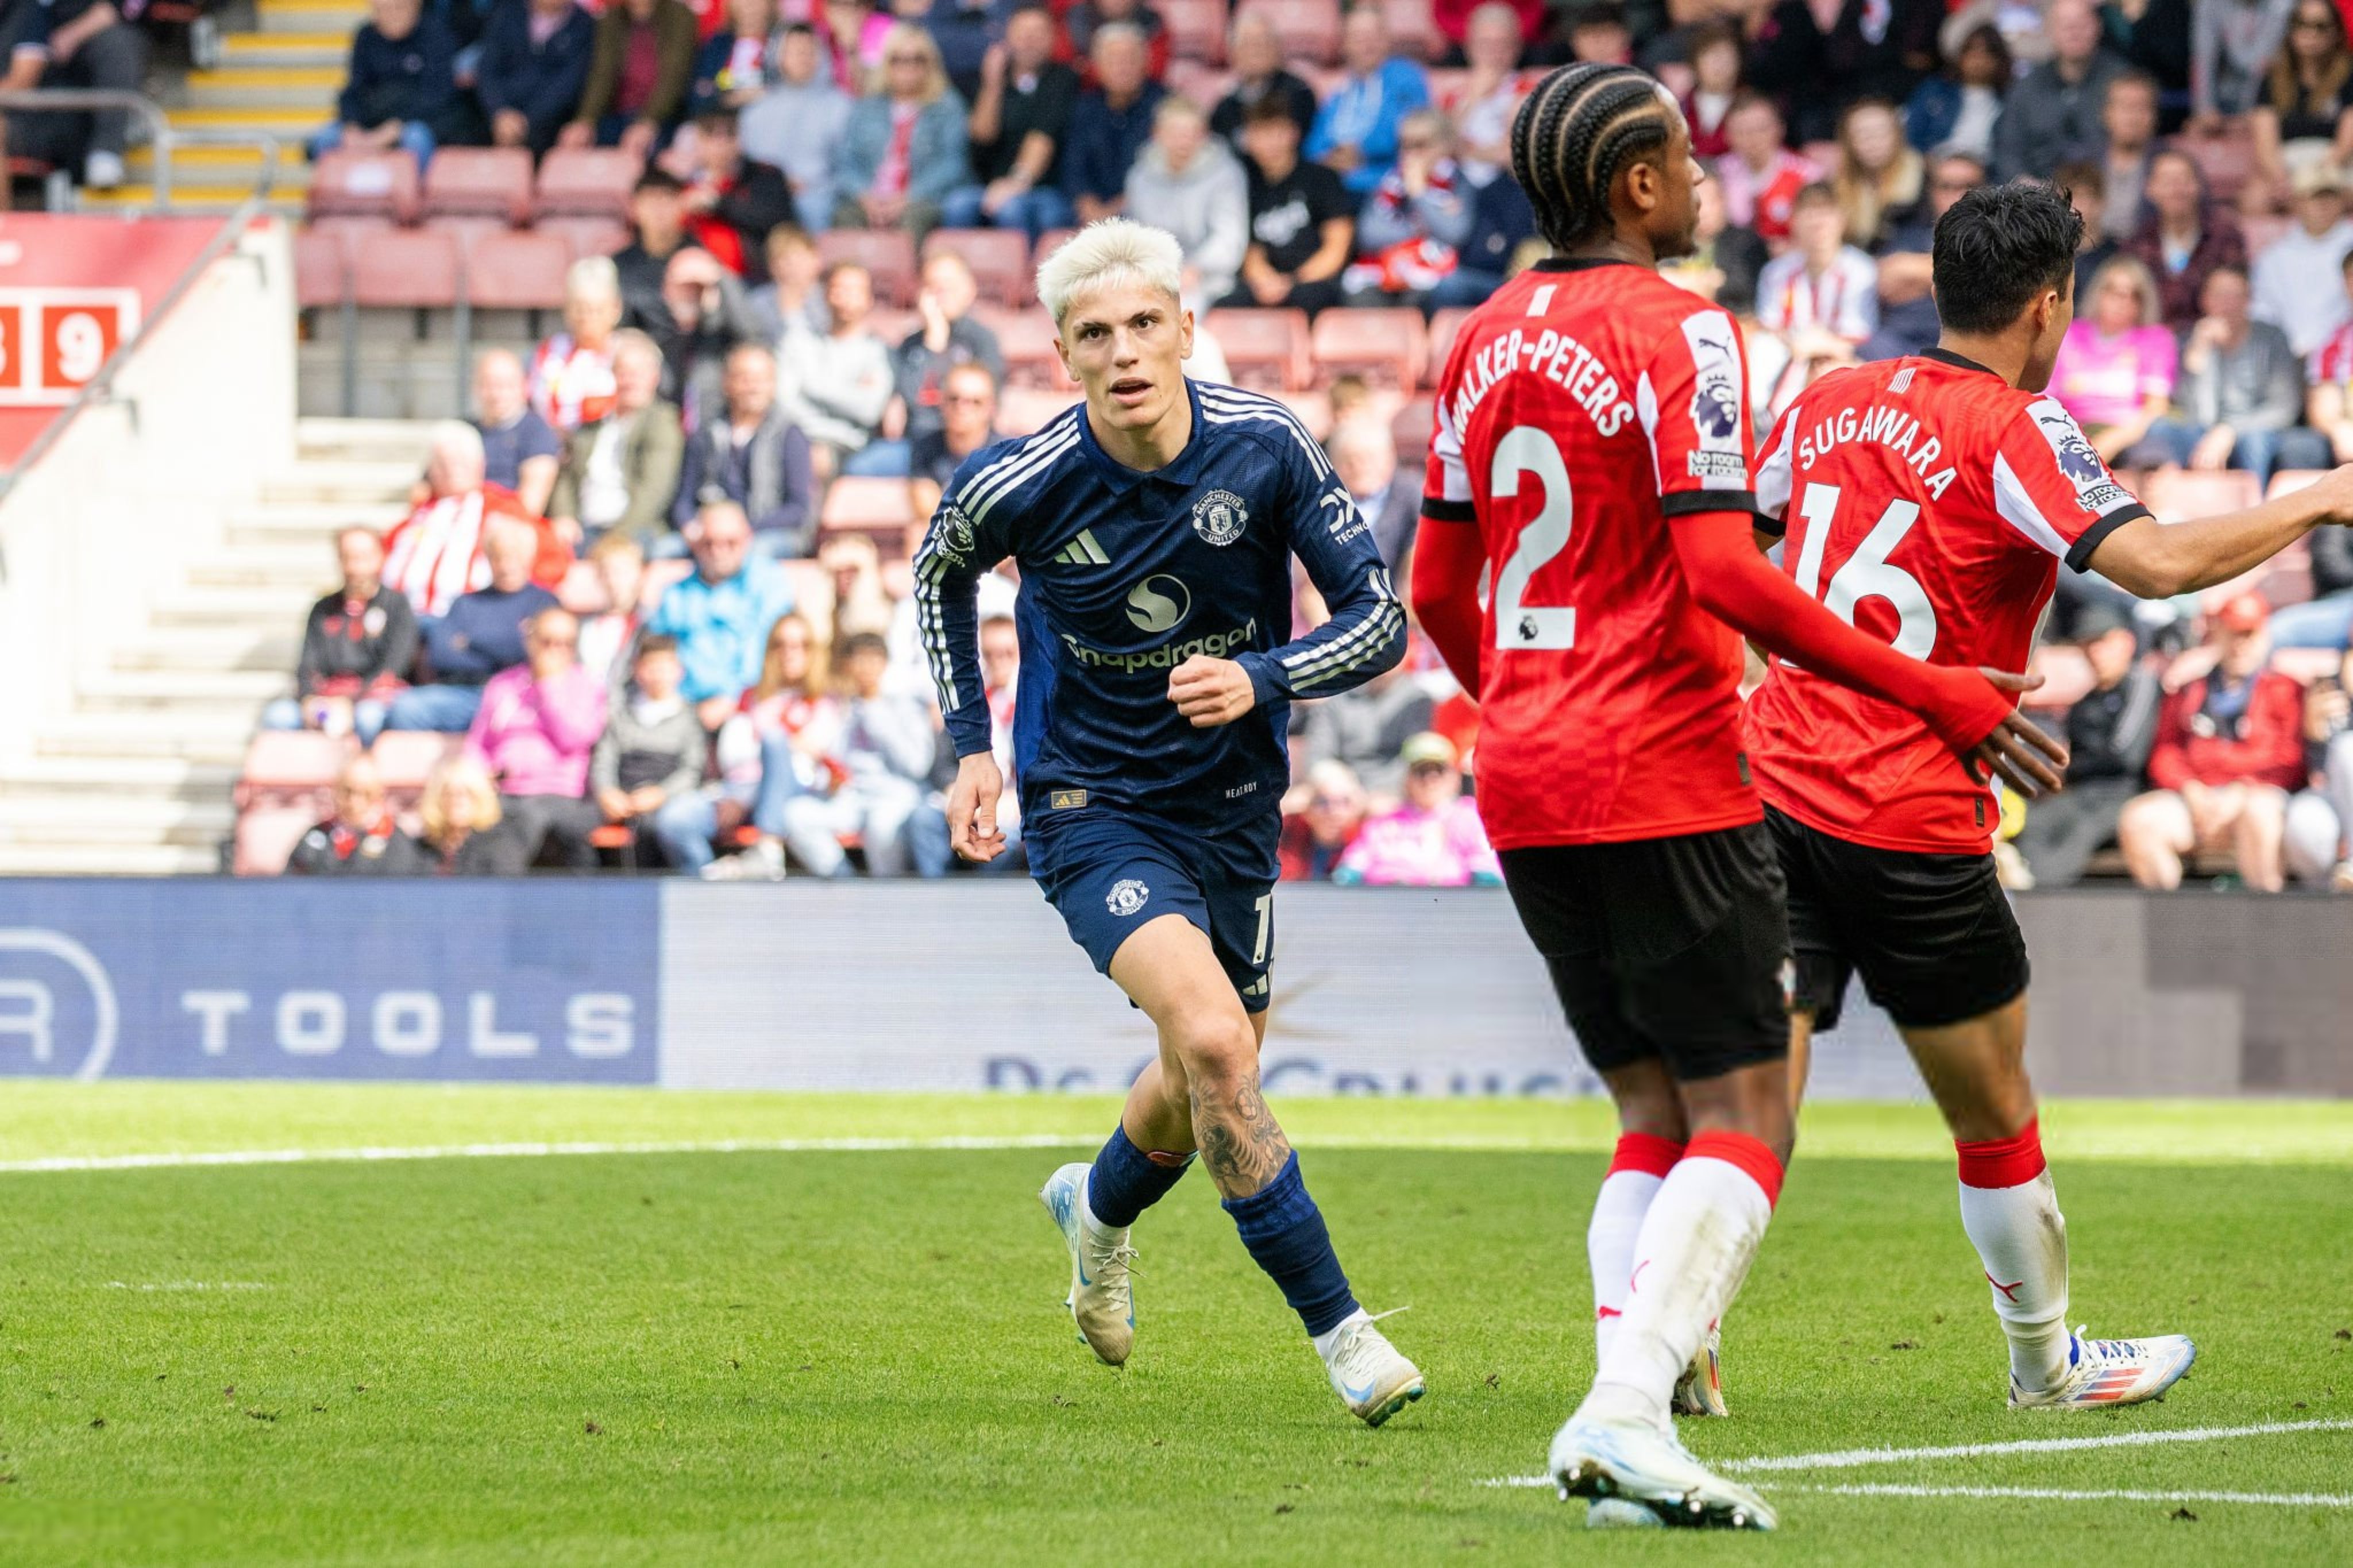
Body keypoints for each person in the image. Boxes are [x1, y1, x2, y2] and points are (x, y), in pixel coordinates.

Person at [1406, 64, 2068, 1529]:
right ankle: (1629, 1407)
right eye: (1686, 160)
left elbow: (1435, 587)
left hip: (1520, 774)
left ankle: (1624, 1386)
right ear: (1636, 188)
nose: (1705, 177)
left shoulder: (1479, 338)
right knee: (1751, 1105)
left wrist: (1521, 703)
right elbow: (1720, 572)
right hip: (1664, 765)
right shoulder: (1685, 332)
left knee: (1650, 1104)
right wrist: (1934, 689)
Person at [1743, 180, 2353, 1434]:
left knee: (1746, 1112)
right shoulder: (2015, 425)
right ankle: (2044, 1366)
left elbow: (1750, 562)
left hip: (1771, 797)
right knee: (1993, 1111)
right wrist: (2324, 491)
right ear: (2045, 304)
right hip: (1909, 817)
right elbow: (2162, 569)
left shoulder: (1824, 398)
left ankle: (1668, 1348)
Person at [918, 219, 1424, 1427]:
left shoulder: (1265, 449)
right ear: (1064, 355)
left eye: (1145, 324)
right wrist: (971, 749)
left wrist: (1267, 677)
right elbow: (940, 576)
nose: (1125, 350)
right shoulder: (1018, 481)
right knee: (1211, 1042)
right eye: (1095, 333)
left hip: (1235, 806)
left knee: (1204, 1065)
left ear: (1187, 332)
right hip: (1088, 802)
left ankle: (1092, 1215)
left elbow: (1382, 622)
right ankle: (1343, 1335)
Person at [2117, 591, 2308, 890]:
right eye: (2233, 633)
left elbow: (2290, 761)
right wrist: (2190, 788)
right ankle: (2170, 923)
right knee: (2140, 820)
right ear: (2217, 633)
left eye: (2250, 634)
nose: (2240, 644)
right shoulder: (2189, 688)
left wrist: (2242, 789)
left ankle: (2268, 922)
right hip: (2199, 798)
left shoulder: (2285, 689)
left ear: (2264, 635)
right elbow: (2166, 752)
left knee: (2259, 814)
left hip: (2257, 796)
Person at [676, 612, 834, 876]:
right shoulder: (751, 698)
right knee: (677, 819)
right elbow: (733, 754)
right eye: (780, 645)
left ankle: (768, 848)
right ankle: (707, 881)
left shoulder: (825, 703)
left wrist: (776, 746)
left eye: (800, 646)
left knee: (774, 741)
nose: (789, 653)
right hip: (741, 790)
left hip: (796, 794)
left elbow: (814, 760)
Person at [2138, 264, 2330, 481]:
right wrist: (2199, 354)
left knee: (2255, 441)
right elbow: (2194, 414)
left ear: (2249, 300)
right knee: (2160, 429)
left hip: (2257, 430)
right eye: (2220, 295)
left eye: (2235, 296)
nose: (2227, 305)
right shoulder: (2191, 340)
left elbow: (2284, 407)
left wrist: (2229, 431)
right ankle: (2172, 508)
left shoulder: (2272, 338)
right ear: (2204, 300)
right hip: (2203, 431)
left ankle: (2257, 510)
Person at [2012, 609, 2161, 888]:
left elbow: (2126, 756)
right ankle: (2024, 893)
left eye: (2102, 642)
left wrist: (2070, 764)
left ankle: (2041, 897)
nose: (2095, 652)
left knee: (2079, 834)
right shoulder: (2085, 702)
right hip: (2082, 793)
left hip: (2124, 793)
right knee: (2033, 823)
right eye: (2088, 644)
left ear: (2126, 643)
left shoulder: (2141, 683)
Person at [774, 629, 940, 874]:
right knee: (795, 815)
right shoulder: (843, 708)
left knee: (882, 828)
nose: (866, 668)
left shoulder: (906, 706)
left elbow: (917, 765)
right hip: (851, 800)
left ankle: (887, 899)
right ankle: (845, 882)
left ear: (885, 663)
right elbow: (834, 762)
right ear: (847, 665)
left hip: (894, 797)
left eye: (872, 660)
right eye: (859, 660)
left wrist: (877, 717)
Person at [464, 605, 609, 870]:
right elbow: (478, 743)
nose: (556, 650)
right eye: (547, 642)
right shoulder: (504, 684)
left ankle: (498, 897)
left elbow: (575, 738)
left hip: (559, 793)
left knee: (522, 818)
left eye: (565, 643)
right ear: (530, 640)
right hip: (503, 790)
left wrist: (548, 686)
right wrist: (480, 774)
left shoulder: (587, 685)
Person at [384, 517, 562, 733]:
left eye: (514, 557)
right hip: (463, 693)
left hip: (519, 695)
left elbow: (532, 655)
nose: (506, 566)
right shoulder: (466, 603)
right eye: (498, 558)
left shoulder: (545, 603)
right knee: (406, 709)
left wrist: (471, 642)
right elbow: (441, 654)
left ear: (529, 557)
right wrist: (508, 644)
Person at [380, 423, 567, 619]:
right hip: (403, 620)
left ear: (480, 465)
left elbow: (551, 562)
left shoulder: (503, 509)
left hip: (469, 621)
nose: (451, 471)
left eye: (460, 462)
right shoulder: (420, 513)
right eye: (442, 463)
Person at [647, 500, 799, 731]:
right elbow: (658, 652)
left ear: (747, 539)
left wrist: (732, 699)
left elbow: (764, 647)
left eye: (730, 542)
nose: (719, 551)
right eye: (709, 543)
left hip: (749, 705)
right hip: (682, 709)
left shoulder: (769, 583)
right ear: (696, 544)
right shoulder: (674, 594)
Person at [265, 528, 419, 747]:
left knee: (368, 719)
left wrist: (351, 701)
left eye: (363, 558)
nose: (355, 567)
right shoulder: (323, 609)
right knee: (278, 717)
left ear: (381, 558)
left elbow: (394, 667)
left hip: (372, 699)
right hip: (327, 699)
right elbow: (307, 664)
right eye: (348, 558)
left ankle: (362, 778)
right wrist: (309, 699)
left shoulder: (397, 606)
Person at [947, 3, 1079, 241]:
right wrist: (993, 85)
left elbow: (1042, 135)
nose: (1030, 41)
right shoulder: (990, 78)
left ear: (1052, 38)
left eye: (1038, 33)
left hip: (1042, 188)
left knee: (1013, 209)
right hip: (987, 185)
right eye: (1023, 33)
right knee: (958, 205)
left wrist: (1016, 183)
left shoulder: (1062, 78)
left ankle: (1022, 277)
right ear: (1007, 37)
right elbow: (982, 136)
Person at [549, 329, 687, 552]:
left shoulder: (662, 422)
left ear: (655, 377)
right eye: (623, 373)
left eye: (637, 373)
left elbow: (653, 492)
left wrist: (615, 540)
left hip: (637, 532)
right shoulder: (592, 426)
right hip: (584, 528)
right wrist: (564, 516)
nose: (629, 381)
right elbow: (566, 475)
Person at [674, 343, 817, 558]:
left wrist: (742, 531)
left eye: (761, 379)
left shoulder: (789, 434)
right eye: (744, 378)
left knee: (750, 554)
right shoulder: (706, 433)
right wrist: (690, 526)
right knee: (663, 549)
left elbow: (797, 508)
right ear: (727, 382)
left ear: (773, 384)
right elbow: (685, 498)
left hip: (767, 533)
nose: (753, 387)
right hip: (710, 534)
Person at [832, 21, 969, 242]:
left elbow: (952, 166)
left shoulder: (947, 106)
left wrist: (907, 198)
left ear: (931, 64)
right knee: (845, 218)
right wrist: (865, 197)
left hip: (923, 199)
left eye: (917, 59)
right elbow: (846, 162)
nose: (908, 67)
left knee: (912, 221)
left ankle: (900, 276)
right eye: (898, 59)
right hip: (871, 197)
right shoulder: (867, 107)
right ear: (887, 63)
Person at [1223, 94, 1354, 317]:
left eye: (1277, 132)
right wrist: (1266, 281)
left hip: (1317, 281)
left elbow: (1337, 246)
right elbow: (1251, 251)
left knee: (1306, 298)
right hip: (1269, 284)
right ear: (1249, 140)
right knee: (1226, 305)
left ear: (1294, 133)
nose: (1270, 142)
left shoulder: (1323, 178)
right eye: (1261, 134)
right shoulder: (1246, 186)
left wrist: (1294, 281)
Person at [877, 250, 1006, 475]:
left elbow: (986, 401)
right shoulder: (912, 344)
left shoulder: (983, 340)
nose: (940, 296)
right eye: (932, 288)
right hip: (918, 444)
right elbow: (912, 401)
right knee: (859, 467)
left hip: (969, 445)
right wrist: (932, 345)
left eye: (948, 287)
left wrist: (939, 350)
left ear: (969, 290)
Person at [0, 0, 148, 189]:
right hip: (35, 107)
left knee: (118, 44)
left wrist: (74, 34)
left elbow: (22, 80)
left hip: (35, 120)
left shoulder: (28, 11)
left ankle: (106, 150)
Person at [1124, 96, 1249, 314]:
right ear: (1157, 134)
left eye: (1192, 133)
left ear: (1205, 135)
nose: (1184, 141)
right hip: (1151, 276)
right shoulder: (1139, 176)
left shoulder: (1226, 173)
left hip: (1209, 280)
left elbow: (1230, 239)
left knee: (1180, 308)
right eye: (1174, 133)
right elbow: (1132, 235)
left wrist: (1196, 268)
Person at [590, 632, 708, 864]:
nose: (658, 675)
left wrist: (660, 795)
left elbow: (692, 770)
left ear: (679, 671)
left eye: (664, 667)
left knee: (657, 828)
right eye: (651, 667)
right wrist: (607, 793)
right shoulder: (622, 716)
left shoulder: (688, 719)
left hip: (664, 801)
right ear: (637, 669)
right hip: (623, 799)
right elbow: (604, 761)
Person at [2047, 254, 2175, 462]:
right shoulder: (2069, 335)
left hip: (2130, 437)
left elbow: (2156, 408)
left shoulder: (2155, 340)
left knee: (2152, 456)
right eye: (2114, 292)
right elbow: (2047, 396)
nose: (2122, 302)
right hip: (2070, 431)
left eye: (2133, 295)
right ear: (2099, 292)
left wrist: (2112, 441)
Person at [1344, 109, 1474, 310]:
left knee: (1430, 293)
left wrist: (1419, 193)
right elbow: (1368, 235)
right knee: (1361, 294)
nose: (1411, 154)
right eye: (1405, 146)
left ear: (1445, 145)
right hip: (1388, 269)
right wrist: (1419, 231)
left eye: (1421, 145)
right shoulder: (1391, 183)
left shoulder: (1458, 182)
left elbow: (1455, 234)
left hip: (1436, 272)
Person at [777, 261, 897, 477]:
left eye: (854, 290)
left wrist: (812, 386)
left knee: (817, 459)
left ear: (869, 299)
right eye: (838, 289)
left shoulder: (878, 351)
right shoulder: (800, 343)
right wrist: (848, 394)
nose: (845, 297)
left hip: (847, 446)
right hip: (796, 436)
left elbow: (869, 411)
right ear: (826, 295)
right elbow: (784, 401)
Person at [1861, 149, 1983, 362]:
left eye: (1967, 186)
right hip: (1896, 340)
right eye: (1946, 186)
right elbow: (1886, 282)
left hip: (1959, 345)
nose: (1957, 195)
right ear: (1932, 191)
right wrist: (1961, 273)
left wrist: (1915, 271)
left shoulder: (1994, 239)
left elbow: (1987, 278)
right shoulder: (1909, 233)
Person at [1331, 732, 1499, 886]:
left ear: (1454, 777)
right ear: (1407, 779)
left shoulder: (1468, 817)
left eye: (1439, 770)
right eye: (1421, 771)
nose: (1430, 779)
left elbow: (1486, 873)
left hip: (1451, 908)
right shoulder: (1383, 823)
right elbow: (1350, 870)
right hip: (1386, 906)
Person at [1755, 183, 1876, 395]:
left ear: (1842, 219)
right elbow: (1770, 329)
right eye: (1809, 213)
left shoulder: (1861, 271)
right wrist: (1800, 344)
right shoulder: (1776, 272)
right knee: (1763, 349)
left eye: (1826, 213)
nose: (1818, 222)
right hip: (1790, 357)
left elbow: (1858, 338)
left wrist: (1817, 345)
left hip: (1840, 360)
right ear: (1793, 220)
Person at [310, 0, 456, 168]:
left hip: (414, 121)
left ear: (416, 6)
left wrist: (393, 129)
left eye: (398, 8)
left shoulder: (435, 35)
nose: (391, 16)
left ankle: (412, 193)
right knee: (325, 139)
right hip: (371, 120)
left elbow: (436, 95)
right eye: (383, 10)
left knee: (417, 139)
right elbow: (354, 89)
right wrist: (352, 126)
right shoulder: (366, 36)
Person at [1988, 0, 2121, 182]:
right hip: (2037, 196)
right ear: (2049, 30)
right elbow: (2007, 148)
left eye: (2082, 24)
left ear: (2098, 27)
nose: (2075, 32)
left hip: (2109, 192)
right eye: (2066, 26)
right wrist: (2027, 187)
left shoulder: (2121, 81)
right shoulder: (2026, 87)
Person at [738, 23, 850, 237]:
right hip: (767, 199)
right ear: (778, 56)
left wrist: (814, 184)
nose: (803, 58)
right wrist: (779, 184)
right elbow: (749, 165)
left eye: (810, 51)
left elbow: (848, 169)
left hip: (822, 199)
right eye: (795, 51)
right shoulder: (756, 110)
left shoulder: (842, 107)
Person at [1306, 6, 1431, 198]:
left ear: (1387, 40)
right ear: (1344, 44)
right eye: (1359, 37)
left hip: (1385, 188)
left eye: (1374, 36)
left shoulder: (1406, 77)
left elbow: (1412, 132)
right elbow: (1314, 146)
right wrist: (1331, 158)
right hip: (1335, 187)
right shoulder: (1340, 93)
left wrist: (1361, 151)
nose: (1367, 44)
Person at [2246, 1, 2353, 215]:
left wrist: (2315, 180)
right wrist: (2281, 179)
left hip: (2335, 166)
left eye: (2321, 26)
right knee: (2254, 199)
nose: (2311, 34)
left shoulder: (2350, 76)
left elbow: (2347, 141)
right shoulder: (2272, 78)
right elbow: (2265, 140)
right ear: (2291, 30)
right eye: (2302, 24)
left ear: (2336, 31)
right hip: (2286, 167)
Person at [2124, 148, 2246, 331]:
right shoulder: (2137, 242)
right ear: (2150, 189)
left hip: (2213, 337)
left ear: (2199, 185)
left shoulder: (2225, 237)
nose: (2176, 189)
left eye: (2183, 180)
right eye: (2167, 181)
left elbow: (2235, 293)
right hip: (2151, 341)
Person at [558, 0, 698, 160]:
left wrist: (648, 122)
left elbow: (674, 77)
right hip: (617, 115)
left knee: (647, 150)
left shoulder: (679, 17)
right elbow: (602, 75)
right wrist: (585, 120)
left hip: (663, 117)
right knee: (580, 147)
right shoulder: (611, 18)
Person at [1059, 22, 1163, 225]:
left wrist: (1117, 208)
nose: (1123, 68)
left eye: (1130, 59)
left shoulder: (1163, 108)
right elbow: (1073, 165)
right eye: (1113, 60)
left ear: (1146, 63)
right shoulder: (1084, 108)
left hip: (1147, 211)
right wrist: (1086, 203)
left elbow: (1162, 174)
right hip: (1088, 213)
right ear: (1097, 66)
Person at [677, 110, 796, 281]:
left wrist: (717, 203)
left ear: (740, 138)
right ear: (698, 140)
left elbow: (774, 217)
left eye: (730, 134)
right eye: (710, 134)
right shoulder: (684, 186)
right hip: (697, 280)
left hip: (754, 279)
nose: (721, 143)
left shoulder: (764, 176)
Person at [2252, 161, 2353, 358]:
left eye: (2330, 196)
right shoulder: (2275, 257)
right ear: (2297, 203)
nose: (2323, 205)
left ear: (2342, 201)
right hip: (2288, 356)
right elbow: (2263, 310)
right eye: (2314, 198)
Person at [473, 0, 595, 154]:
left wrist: (526, 121)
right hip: (497, 117)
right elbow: (487, 70)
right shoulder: (506, 14)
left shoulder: (583, 24)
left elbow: (568, 84)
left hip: (550, 123)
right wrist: (499, 111)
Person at [529, 256, 623, 435]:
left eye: (597, 310)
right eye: (580, 309)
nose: (588, 318)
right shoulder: (550, 353)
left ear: (616, 308)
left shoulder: (628, 354)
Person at [2283, 643, 2353, 886]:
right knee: (2305, 822)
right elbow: (2309, 770)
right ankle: (2326, 914)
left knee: (2349, 747)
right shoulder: (2327, 686)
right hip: (2337, 800)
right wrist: (2310, 735)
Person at [1443, 2, 1534, 187]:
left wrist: (1465, 151)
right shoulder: (1455, 96)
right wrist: (1474, 98)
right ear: (1469, 47)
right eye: (1485, 44)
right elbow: (1440, 146)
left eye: (1502, 44)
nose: (1494, 53)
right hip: (1460, 188)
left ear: (1517, 47)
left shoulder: (1529, 91)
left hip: (1509, 187)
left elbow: (1515, 155)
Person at [1714, 93, 1818, 252]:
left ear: (1780, 129)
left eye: (1761, 129)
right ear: (1728, 136)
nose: (1752, 138)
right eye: (1742, 131)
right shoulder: (1718, 174)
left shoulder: (1807, 175)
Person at [286, 755, 417, 876]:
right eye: (348, 791)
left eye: (366, 793)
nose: (355, 801)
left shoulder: (395, 840)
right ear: (336, 791)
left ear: (379, 794)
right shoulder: (317, 836)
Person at [468, 349, 561, 517]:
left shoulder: (536, 433)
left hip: (508, 527)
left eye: (505, 386)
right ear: (476, 387)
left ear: (524, 387)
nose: (496, 394)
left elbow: (530, 506)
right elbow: (424, 490)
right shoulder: (466, 432)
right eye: (489, 385)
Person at [1327, 416, 1419, 582]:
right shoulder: (1326, 501)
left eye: (1368, 459)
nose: (1360, 468)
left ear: (1389, 459)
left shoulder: (1413, 495)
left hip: (1398, 596)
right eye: (1350, 460)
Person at [1208, 8, 1317, 147]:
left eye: (1263, 42)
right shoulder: (1225, 106)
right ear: (1232, 54)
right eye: (1247, 44)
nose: (1256, 50)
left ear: (1278, 48)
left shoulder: (1298, 94)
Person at [1904, 22, 2008, 164]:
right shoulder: (1935, 90)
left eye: (1987, 53)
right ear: (1960, 56)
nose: (1978, 60)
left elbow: (2011, 150)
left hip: (1989, 174)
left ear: (1999, 60)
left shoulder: (2010, 99)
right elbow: (1912, 135)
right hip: (1936, 168)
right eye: (1971, 51)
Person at [1829, 98, 1922, 253]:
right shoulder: (1837, 187)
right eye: (1862, 133)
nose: (1872, 141)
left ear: (1897, 134)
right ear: (1848, 141)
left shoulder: (1924, 180)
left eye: (1881, 131)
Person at [909, 360, 999, 521]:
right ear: (942, 402)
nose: (962, 408)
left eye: (975, 402)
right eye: (954, 399)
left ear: (991, 408)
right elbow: (926, 509)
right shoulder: (926, 449)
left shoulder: (1008, 455)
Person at [413, 754, 532, 874]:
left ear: (481, 798)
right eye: (448, 793)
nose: (456, 801)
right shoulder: (423, 848)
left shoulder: (500, 845)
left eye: (467, 793)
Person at [2191, 0, 2296, 125]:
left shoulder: (2284, 5)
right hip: (2223, 100)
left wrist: (2253, 113)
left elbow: (2264, 63)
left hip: (2267, 101)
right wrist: (2205, 109)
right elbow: (2203, 61)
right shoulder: (2210, 4)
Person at [2094, 71, 2161, 247]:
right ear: (2106, 113)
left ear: (2154, 115)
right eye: (2125, 107)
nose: (2133, 118)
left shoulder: (2170, 164)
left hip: (2149, 257)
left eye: (2142, 108)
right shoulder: (2083, 164)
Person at [578, 530, 649, 688]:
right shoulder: (584, 626)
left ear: (639, 573)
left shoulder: (649, 625)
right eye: (605, 573)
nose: (613, 581)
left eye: (621, 572)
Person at [1277, 759, 1368, 880]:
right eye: (1322, 802)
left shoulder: (1369, 841)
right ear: (1308, 807)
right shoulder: (1290, 834)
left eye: (1344, 802)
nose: (1333, 812)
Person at [686, 0, 775, 118]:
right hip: (720, 125)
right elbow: (698, 95)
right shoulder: (717, 45)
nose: (750, 4)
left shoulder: (779, 44)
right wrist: (729, 99)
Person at [746, 223, 830, 341]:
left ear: (817, 260)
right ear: (772, 266)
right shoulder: (758, 302)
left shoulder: (830, 297)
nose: (793, 267)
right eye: (784, 260)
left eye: (799, 258)